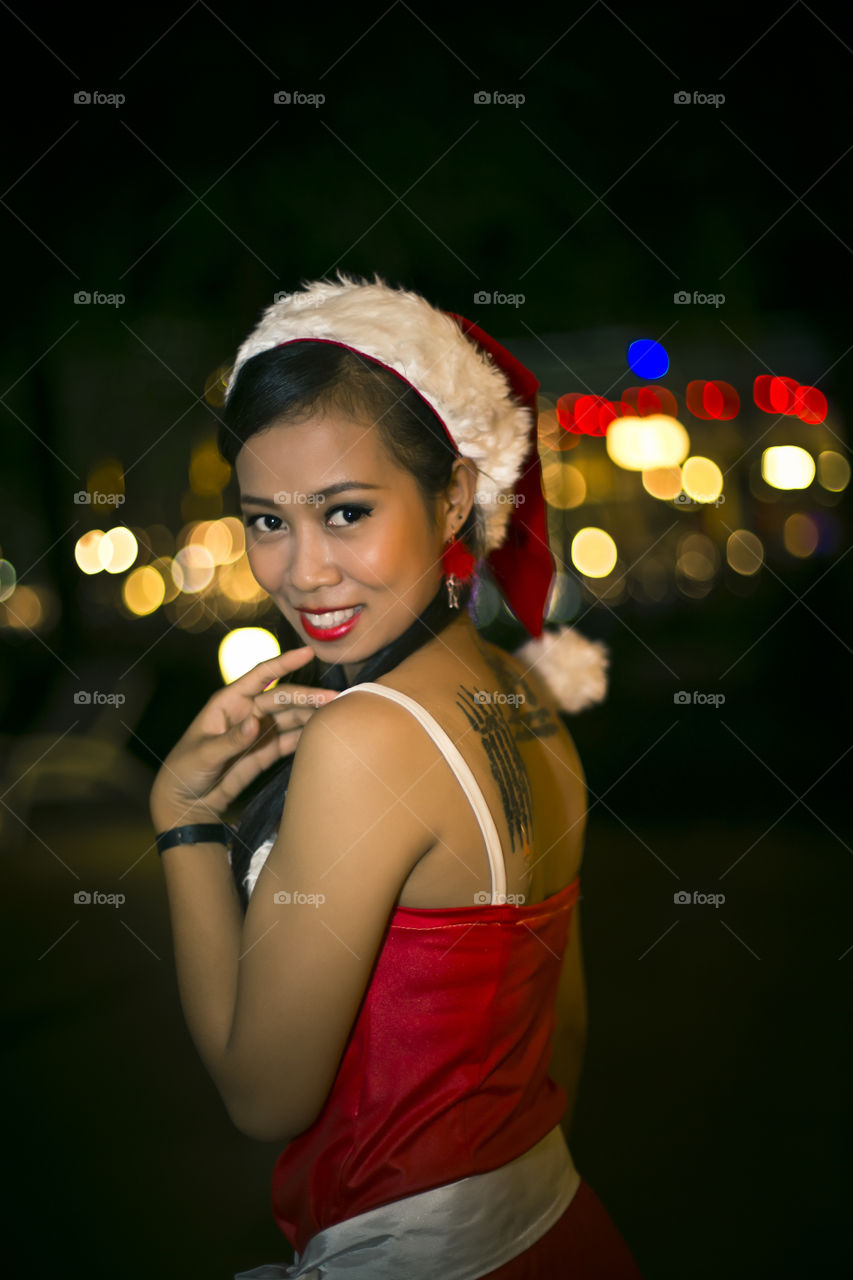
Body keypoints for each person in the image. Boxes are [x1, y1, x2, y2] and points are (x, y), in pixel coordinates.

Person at [150, 271, 643, 1278]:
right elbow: (565, 1031)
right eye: (267, 520)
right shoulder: (524, 694)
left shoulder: (366, 735)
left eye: (344, 512)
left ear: (454, 492)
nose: (301, 572)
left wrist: (186, 816)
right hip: (558, 1230)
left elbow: (262, 1094)